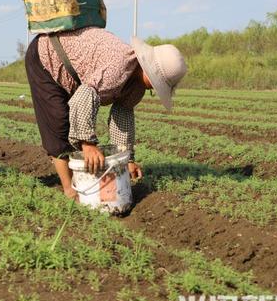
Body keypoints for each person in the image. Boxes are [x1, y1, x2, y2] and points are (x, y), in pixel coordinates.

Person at [24, 27, 187, 199]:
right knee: (59, 122)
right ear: (148, 69)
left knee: (69, 121)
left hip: (70, 68)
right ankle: (70, 190)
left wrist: (127, 159)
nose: (155, 87)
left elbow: (122, 114)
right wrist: (87, 144)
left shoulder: (137, 85)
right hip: (45, 55)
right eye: (157, 82)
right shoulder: (118, 67)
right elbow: (85, 96)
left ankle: (79, 181)